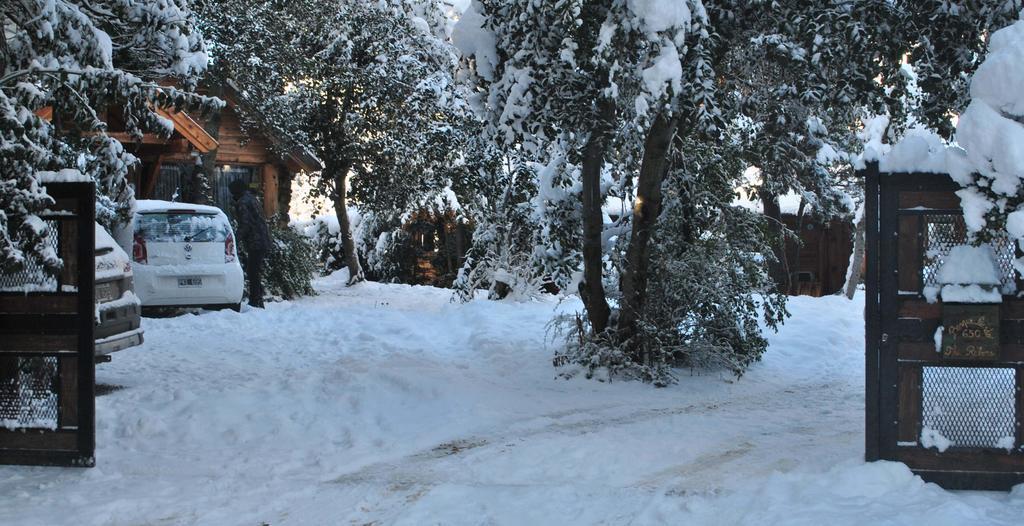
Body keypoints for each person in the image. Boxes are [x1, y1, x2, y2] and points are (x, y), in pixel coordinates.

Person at [229, 179, 271, 308]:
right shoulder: (252, 198)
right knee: (255, 270)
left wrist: (234, 240)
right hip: (263, 239)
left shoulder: (242, 202)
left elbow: (245, 224)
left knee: (252, 271)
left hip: (255, 241)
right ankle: (257, 299)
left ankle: (256, 301)